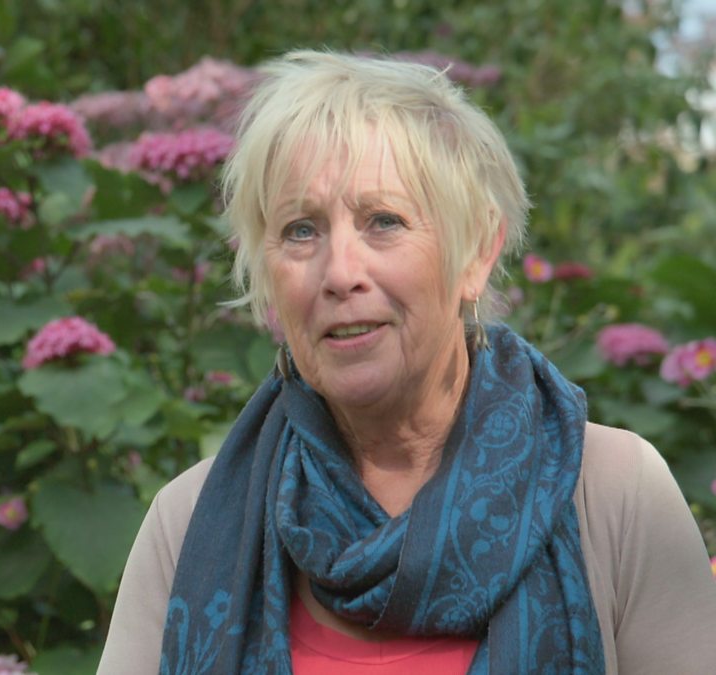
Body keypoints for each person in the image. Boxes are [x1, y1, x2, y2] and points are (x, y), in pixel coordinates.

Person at [97, 50, 716, 674]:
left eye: (383, 222)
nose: (340, 273)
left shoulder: (613, 495)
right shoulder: (190, 523)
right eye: (301, 230)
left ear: (476, 252)